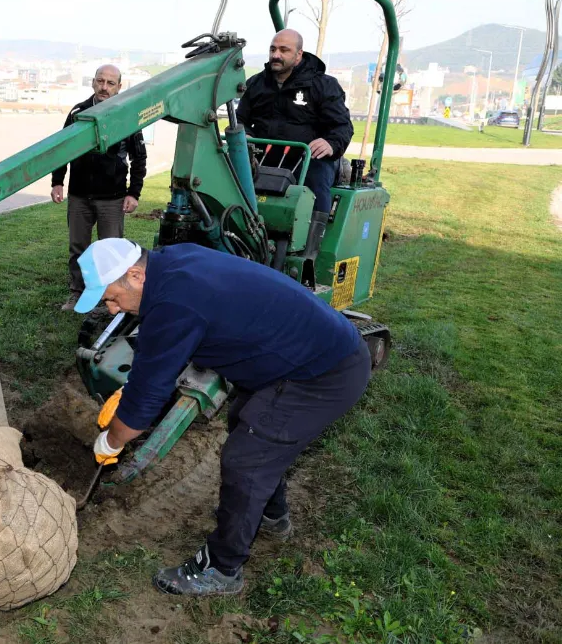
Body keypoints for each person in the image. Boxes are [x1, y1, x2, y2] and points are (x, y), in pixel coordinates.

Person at [77, 238, 372, 597]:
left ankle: (221, 569)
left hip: (322, 373)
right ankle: (270, 516)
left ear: (136, 275)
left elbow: (143, 403)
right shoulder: (174, 260)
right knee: (248, 425)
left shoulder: (172, 305)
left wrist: (110, 439)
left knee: (247, 460)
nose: (111, 310)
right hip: (302, 353)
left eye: (110, 297)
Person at [236, 29, 353, 259]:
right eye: (273, 49)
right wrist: (244, 135)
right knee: (230, 173)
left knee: (317, 177)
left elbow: (342, 127)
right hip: (264, 155)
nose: (276, 55)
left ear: (299, 55)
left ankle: (307, 254)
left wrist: (330, 143)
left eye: (283, 50)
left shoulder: (322, 86)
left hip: (307, 157)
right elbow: (239, 119)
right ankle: (238, 239)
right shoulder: (256, 84)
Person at [50, 64, 147, 312]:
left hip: (112, 198)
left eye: (110, 83)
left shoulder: (127, 115)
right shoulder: (78, 113)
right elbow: (61, 149)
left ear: (119, 87)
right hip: (79, 195)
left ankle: (111, 298)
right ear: (93, 82)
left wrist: (134, 193)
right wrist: (57, 181)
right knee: (78, 249)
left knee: (112, 253)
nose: (104, 87)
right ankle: (77, 293)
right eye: (100, 81)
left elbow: (139, 158)